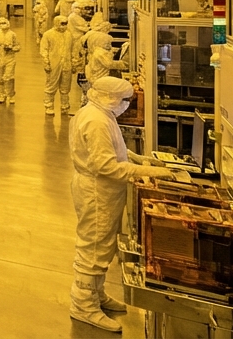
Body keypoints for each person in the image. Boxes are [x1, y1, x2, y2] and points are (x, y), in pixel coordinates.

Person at [68, 77, 183, 331]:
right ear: (110, 98)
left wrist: (136, 159)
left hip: (104, 191)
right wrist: (145, 172)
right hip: (97, 192)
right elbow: (105, 166)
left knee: (103, 246)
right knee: (93, 247)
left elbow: (111, 149)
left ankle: (95, 294)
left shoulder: (99, 112)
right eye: (124, 100)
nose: (126, 105)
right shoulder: (96, 121)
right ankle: (83, 305)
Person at [41, 16, 76, 115]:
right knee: (51, 86)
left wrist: (74, 63)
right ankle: (49, 106)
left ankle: (65, 106)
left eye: (66, 24)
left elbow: (73, 50)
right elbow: (44, 50)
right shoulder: (48, 34)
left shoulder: (69, 35)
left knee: (65, 87)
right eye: (62, 23)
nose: (64, 26)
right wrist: (46, 63)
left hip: (66, 65)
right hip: (53, 64)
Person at [0, 18, 21, 105]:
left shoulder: (12, 35)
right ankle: (1, 94)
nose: (2, 25)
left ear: (8, 23)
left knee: (9, 77)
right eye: (1, 23)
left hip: (10, 58)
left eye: (4, 23)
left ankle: (11, 95)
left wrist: (11, 48)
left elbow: (18, 46)